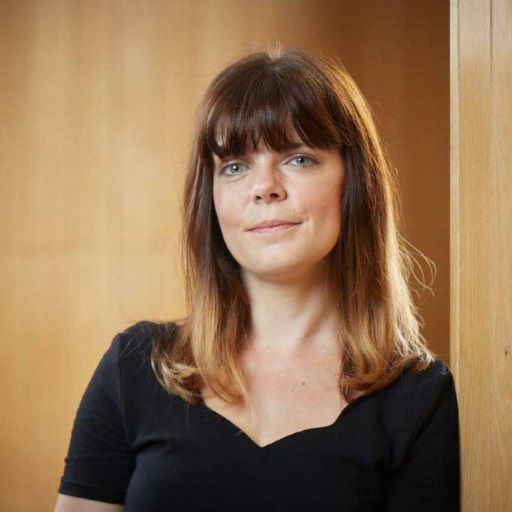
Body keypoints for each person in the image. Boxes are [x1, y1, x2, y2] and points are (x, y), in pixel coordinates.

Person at [55, 45, 460, 512]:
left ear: (354, 183)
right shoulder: (134, 368)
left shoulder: (419, 395)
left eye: (298, 158)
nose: (264, 187)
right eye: (235, 167)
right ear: (210, 201)